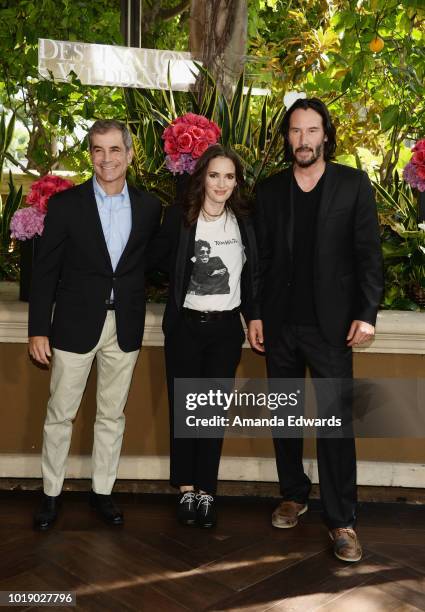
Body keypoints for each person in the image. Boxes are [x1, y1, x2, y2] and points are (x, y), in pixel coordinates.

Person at [248, 98, 383, 562]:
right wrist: (256, 314)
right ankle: (293, 493)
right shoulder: (269, 191)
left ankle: (341, 518)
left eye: (311, 131)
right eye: (295, 131)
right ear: (287, 136)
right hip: (281, 325)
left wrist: (367, 313)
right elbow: (260, 262)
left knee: (336, 426)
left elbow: (369, 255)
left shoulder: (352, 185)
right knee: (284, 415)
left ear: (326, 134)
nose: (302, 140)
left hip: (333, 328)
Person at [28, 119, 161, 530]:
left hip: (125, 325)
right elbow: (45, 271)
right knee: (59, 414)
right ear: (90, 155)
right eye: (98, 150)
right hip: (73, 324)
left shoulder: (150, 206)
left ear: (130, 154)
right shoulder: (68, 205)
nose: (107, 159)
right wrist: (38, 328)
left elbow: (151, 264)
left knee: (111, 415)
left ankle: (102, 492)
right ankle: (51, 494)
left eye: (115, 150)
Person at [150, 144, 258, 528]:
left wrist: (254, 316)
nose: (222, 183)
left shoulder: (244, 220)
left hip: (225, 329)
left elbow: (253, 274)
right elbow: (156, 259)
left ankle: (207, 491)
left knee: (211, 412)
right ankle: (187, 490)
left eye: (229, 176)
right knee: (185, 411)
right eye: (215, 175)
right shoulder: (179, 218)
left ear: (236, 182)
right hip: (184, 328)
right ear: (202, 177)